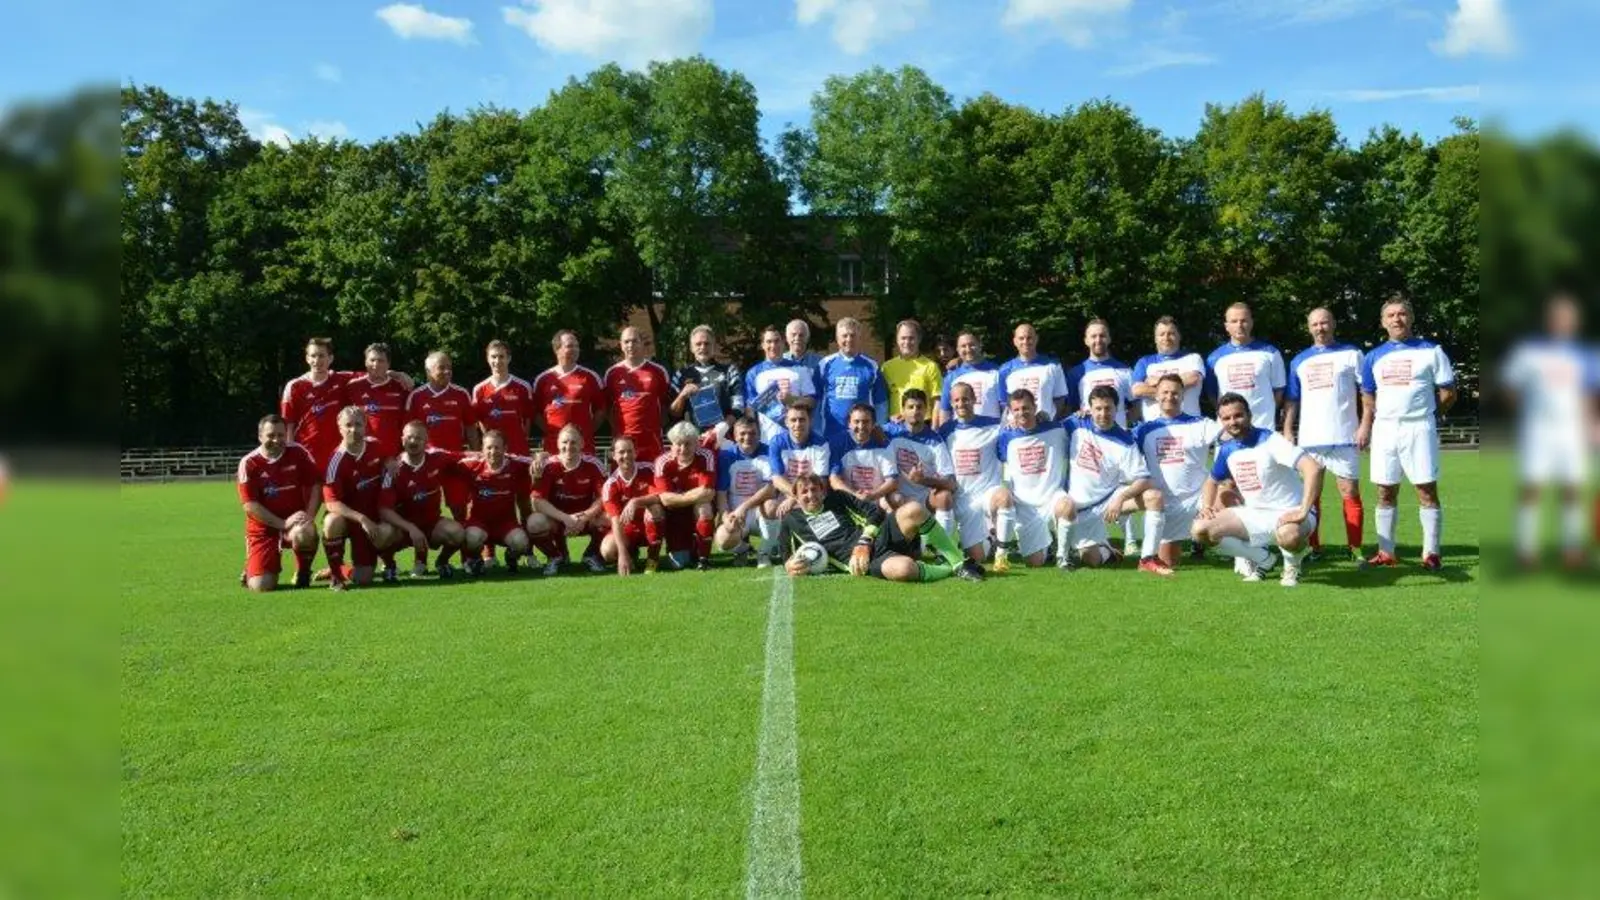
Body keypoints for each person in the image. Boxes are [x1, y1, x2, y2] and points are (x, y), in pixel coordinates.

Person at [1501, 292, 1600, 568]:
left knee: (1573, 488)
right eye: (1558, 316)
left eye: (1568, 317)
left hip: (1573, 432)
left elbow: (1591, 394)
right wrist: (1524, 416)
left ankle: (1572, 549)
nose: (1562, 321)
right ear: (1548, 319)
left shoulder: (1585, 354)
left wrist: (1592, 425)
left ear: (1575, 321)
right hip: (1538, 432)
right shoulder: (1528, 352)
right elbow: (1510, 388)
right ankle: (1526, 549)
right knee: (1531, 487)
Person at [1359, 296, 1458, 569]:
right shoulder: (1372, 356)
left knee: (1426, 490)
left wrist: (1430, 413)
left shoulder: (1432, 351)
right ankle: (1386, 552)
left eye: (1402, 314)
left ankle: (1431, 554)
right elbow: (1367, 395)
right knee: (1384, 491)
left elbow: (1448, 392)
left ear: (1411, 318)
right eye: (1390, 315)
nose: (1397, 319)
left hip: (1419, 427)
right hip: (1385, 429)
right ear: (1383, 322)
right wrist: (1368, 423)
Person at [1192, 392, 1325, 587]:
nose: (1233, 422)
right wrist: (1206, 506)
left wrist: (1303, 510)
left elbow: (1313, 468)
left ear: (1249, 415)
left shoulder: (1271, 441)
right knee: (1200, 530)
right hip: (1255, 513)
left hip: (1290, 510)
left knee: (1289, 536)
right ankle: (1264, 559)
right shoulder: (1227, 449)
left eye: (1238, 415)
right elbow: (1211, 481)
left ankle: (1292, 567)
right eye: (1226, 418)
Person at [776, 472, 985, 583]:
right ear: (795, 496)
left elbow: (875, 512)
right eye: (804, 492)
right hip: (861, 562)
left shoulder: (837, 498)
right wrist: (789, 565)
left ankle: (959, 563)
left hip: (875, 538)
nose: (810, 495)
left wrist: (864, 541)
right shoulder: (792, 521)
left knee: (913, 509)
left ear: (822, 491)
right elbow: (785, 553)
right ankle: (948, 569)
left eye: (814, 489)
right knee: (904, 569)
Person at [1282, 307, 1368, 563]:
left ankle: (1355, 547)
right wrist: (1287, 429)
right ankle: (1314, 548)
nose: (1320, 328)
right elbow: (1292, 399)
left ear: (1334, 324)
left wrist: (1365, 424)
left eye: (1324, 322)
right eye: (1315, 324)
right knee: (1311, 496)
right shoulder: (1299, 360)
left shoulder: (1352, 354)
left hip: (1344, 437)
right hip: (1311, 439)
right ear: (1309, 328)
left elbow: (1367, 392)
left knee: (1349, 491)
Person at [1055, 386, 1165, 573]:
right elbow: (1047, 431)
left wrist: (1120, 499)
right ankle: (1103, 549)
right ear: (1089, 408)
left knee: (1154, 496)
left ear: (1117, 409)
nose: (1103, 413)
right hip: (1075, 506)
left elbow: (1144, 479)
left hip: (1107, 502)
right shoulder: (1075, 424)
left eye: (1108, 408)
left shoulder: (1125, 441)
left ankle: (1148, 558)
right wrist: (1033, 418)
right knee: (1091, 559)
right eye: (1098, 408)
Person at [1066, 318, 1140, 555]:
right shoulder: (1076, 372)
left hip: (1119, 442)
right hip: (1092, 440)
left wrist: (1127, 428)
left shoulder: (1124, 370)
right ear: (1086, 340)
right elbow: (1072, 408)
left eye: (1102, 335)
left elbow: (1135, 406)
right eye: (1093, 336)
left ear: (1109, 338)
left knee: (1124, 486)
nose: (1098, 340)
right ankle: (1098, 538)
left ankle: (1130, 540)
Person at [1133, 375, 1222, 570]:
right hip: (1166, 505)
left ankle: (1245, 556)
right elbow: (1120, 447)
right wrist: (1087, 416)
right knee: (1168, 562)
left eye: (1175, 393)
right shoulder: (1144, 430)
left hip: (1199, 501)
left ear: (1182, 396)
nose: (1170, 397)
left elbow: (1231, 435)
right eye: (1165, 392)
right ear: (1156, 396)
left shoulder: (1201, 424)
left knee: (1226, 493)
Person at [236, 414, 320, 591]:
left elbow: (315, 485)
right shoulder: (249, 463)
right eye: (271, 435)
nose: (276, 440)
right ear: (260, 437)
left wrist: (309, 516)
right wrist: (282, 523)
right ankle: (253, 567)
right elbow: (250, 505)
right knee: (261, 586)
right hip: (264, 530)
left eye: (281, 435)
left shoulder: (298, 452)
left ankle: (303, 572)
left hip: (294, 523)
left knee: (305, 532)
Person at [321, 406, 402, 590]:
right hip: (349, 518)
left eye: (358, 424)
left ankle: (381, 564)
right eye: (348, 425)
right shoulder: (335, 461)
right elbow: (332, 503)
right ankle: (336, 575)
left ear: (365, 425)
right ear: (339, 428)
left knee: (364, 579)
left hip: (372, 518)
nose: (353, 429)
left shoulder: (375, 445)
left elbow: (389, 457)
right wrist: (362, 519)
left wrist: (390, 461)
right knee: (331, 521)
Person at [991, 390, 1072, 569]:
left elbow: (1079, 425)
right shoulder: (1006, 436)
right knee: (1035, 562)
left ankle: (1063, 556)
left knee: (1067, 505)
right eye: (1016, 409)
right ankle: (1048, 545)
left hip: (1052, 497)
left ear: (1035, 407)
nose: (1022, 413)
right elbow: (1001, 459)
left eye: (1026, 408)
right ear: (1010, 412)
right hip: (1025, 505)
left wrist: (1085, 413)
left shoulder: (1057, 429)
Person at [378, 420, 469, 578]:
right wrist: (410, 528)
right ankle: (389, 564)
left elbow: (466, 457)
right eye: (409, 437)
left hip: (431, 525)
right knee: (382, 532)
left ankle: (442, 561)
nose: (413, 441)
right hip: (403, 528)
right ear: (402, 440)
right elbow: (384, 510)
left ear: (426, 441)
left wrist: (493, 455)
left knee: (457, 532)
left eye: (418, 438)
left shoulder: (437, 458)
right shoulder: (393, 469)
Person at [525, 424, 610, 575]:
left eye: (573, 442)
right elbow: (536, 501)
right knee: (534, 523)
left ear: (582, 443)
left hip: (584, 519)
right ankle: (555, 556)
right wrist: (566, 518)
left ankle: (591, 555)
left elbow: (604, 497)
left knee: (609, 517)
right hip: (558, 520)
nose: (568, 446)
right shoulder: (548, 466)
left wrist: (584, 517)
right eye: (564, 442)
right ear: (558, 444)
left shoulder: (593, 464)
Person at [405, 350, 478, 521]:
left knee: (459, 507)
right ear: (428, 371)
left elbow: (470, 427)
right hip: (426, 462)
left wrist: (476, 455)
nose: (447, 371)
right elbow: (408, 432)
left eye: (449, 368)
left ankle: (464, 536)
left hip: (455, 460)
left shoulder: (461, 394)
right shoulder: (416, 397)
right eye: (441, 368)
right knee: (423, 508)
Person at [938, 382, 1006, 563]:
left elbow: (1019, 428)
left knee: (1003, 497)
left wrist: (1041, 418)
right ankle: (989, 540)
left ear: (974, 399)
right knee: (978, 558)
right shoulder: (945, 431)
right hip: (963, 500)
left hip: (988, 494)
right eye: (957, 400)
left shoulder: (994, 425)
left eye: (965, 399)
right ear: (951, 403)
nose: (961, 404)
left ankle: (1003, 550)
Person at [455, 429, 534, 576]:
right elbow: (446, 460)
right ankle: (476, 560)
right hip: (478, 523)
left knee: (521, 543)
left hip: (506, 524)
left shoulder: (515, 464)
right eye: (489, 448)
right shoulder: (471, 465)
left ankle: (511, 557)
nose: (493, 452)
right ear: (482, 449)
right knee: (471, 538)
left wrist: (542, 456)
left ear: (505, 448)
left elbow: (540, 460)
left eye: (497, 447)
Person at [884, 388, 958, 536]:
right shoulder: (890, 432)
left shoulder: (935, 441)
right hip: (899, 498)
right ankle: (898, 538)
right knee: (893, 497)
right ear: (902, 410)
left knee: (944, 496)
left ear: (926, 410)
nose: (915, 411)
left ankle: (944, 545)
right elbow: (867, 429)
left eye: (919, 407)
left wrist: (923, 480)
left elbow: (951, 484)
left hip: (925, 500)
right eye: (910, 407)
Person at [1204, 302, 1287, 430]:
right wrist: (1226, 415)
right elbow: (1212, 394)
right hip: (1229, 429)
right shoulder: (1214, 358)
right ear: (1226, 326)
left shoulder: (1271, 353)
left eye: (1244, 321)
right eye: (1234, 321)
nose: (1239, 325)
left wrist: (1268, 412)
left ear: (1251, 323)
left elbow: (1279, 389)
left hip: (1263, 426)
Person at [714, 416, 782, 567]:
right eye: (743, 433)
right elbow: (721, 494)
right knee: (723, 541)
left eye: (752, 433)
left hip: (759, 512)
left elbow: (771, 489)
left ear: (759, 434)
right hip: (735, 513)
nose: (747, 437)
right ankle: (742, 550)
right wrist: (726, 517)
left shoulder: (769, 452)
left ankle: (764, 553)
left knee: (772, 505)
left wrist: (744, 507)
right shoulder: (726, 455)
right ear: (734, 435)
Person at [653, 421, 718, 570]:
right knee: (679, 564)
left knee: (704, 507)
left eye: (688, 444)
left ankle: (703, 559)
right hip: (675, 517)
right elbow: (666, 500)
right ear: (672, 445)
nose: (683, 449)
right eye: (678, 444)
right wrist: (691, 495)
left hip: (696, 510)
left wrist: (679, 497)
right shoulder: (662, 462)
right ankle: (688, 547)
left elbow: (708, 492)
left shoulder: (706, 456)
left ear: (696, 444)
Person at [604, 326, 673, 466]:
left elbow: (666, 406)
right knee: (623, 479)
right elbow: (607, 409)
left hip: (651, 442)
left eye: (634, 341)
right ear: (621, 345)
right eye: (626, 342)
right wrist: (619, 431)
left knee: (654, 478)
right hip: (623, 444)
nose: (630, 345)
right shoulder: (612, 374)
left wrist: (652, 428)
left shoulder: (658, 372)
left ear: (642, 343)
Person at [530, 329, 606, 454]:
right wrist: (551, 430)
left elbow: (601, 410)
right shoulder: (543, 379)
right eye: (570, 346)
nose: (575, 349)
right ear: (557, 349)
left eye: (577, 346)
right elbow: (535, 413)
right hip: (553, 446)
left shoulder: (590, 377)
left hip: (583, 447)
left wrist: (586, 432)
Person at [600, 436, 664, 576]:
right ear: (613, 455)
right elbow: (615, 520)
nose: (626, 455)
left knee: (655, 509)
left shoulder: (649, 469)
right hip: (629, 529)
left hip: (657, 523)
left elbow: (661, 496)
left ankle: (653, 560)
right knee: (607, 551)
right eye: (621, 452)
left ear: (636, 453)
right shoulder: (610, 485)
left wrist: (636, 501)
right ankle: (631, 554)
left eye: (630, 451)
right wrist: (622, 553)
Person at [746, 325, 820, 444]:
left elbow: (812, 401)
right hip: (767, 440)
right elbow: (750, 410)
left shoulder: (800, 369)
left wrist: (792, 400)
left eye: (777, 341)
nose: (773, 345)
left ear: (783, 343)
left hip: (798, 439)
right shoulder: (753, 373)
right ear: (762, 345)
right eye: (769, 342)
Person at [670, 325, 746, 439]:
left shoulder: (729, 371)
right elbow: (672, 414)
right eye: (698, 344)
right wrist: (682, 395)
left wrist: (723, 427)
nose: (703, 347)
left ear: (714, 346)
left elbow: (739, 406)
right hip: (694, 441)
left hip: (725, 438)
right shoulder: (681, 374)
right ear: (691, 348)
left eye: (707, 343)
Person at [816, 317, 888, 437]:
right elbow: (816, 401)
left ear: (859, 338)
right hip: (831, 433)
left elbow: (881, 403)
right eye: (844, 336)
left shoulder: (871, 366)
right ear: (837, 338)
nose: (849, 339)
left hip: (863, 435)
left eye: (853, 335)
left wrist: (880, 429)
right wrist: (817, 432)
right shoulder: (824, 365)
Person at [1131, 316, 1205, 422]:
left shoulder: (1193, 358)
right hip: (1155, 427)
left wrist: (1156, 382)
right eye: (1161, 334)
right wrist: (1178, 388)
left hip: (1190, 424)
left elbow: (1193, 379)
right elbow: (1137, 390)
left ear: (1179, 336)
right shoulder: (1144, 362)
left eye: (1171, 333)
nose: (1166, 338)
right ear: (1155, 338)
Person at [345, 342, 412, 459]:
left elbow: (408, 424)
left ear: (388, 364)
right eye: (372, 360)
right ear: (365, 362)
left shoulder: (401, 387)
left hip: (392, 456)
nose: (376, 364)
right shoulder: (353, 386)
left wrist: (403, 452)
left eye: (381, 361)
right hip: (362, 456)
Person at [473, 339, 537, 457]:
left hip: (518, 450)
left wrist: (521, 440)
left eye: (501, 356)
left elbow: (527, 420)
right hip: (493, 453)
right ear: (487, 359)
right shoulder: (479, 389)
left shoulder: (523, 387)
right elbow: (479, 420)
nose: (497, 361)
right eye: (493, 357)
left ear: (509, 358)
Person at [829, 403, 899, 509]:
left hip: (877, 497)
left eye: (866, 422)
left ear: (873, 424)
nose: (861, 426)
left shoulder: (883, 443)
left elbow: (893, 481)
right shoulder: (838, 442)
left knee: (897, 498)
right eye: (856, 422)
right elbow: (834, 480)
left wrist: (873, 495)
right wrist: (855, 495)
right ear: (849, 423)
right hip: (849, 497)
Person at [999, 323, 1070, 422]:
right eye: (1021, 338)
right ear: (1015, 341)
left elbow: (1060, 398)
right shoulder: (1005, 370)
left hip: (1045, 425)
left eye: (1029, 338)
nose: (1025, 341)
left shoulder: (1053, 366)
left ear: (1036, 339)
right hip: (1017, 427)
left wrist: (1051, 419)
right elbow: (1004, 403)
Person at [767, 397, 833, 502]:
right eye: (793, 420)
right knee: (769, 506)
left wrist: (799, 498)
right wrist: (795, 496)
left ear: (810, 421)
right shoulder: (777, 442)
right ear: (786, 422)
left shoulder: (821, 444)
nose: (797, 424)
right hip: (787, 493)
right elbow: (777, 479)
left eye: (802, 420)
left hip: (811, 494)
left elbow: (821, 480)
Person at [881, 318, 943, 421]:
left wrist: (935, 427)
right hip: (895, 425)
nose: (907, 342)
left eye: (911, 338)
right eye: (903, 338)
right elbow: (882, 401)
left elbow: (937, 401)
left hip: (923, 424)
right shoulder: (887, 367)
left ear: (919, 339)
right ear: (897, 340)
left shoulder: (930, 366)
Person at [939, 330, 1003, 423]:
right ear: (957, 349)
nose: (968, 349)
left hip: (992, 430)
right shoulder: (951, 378)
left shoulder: (997, 372)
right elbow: (945, 411)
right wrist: (944, 430)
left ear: (980, 345)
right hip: (961, 431)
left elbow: (1005, 406)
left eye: (972, 345)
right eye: (963, 346)